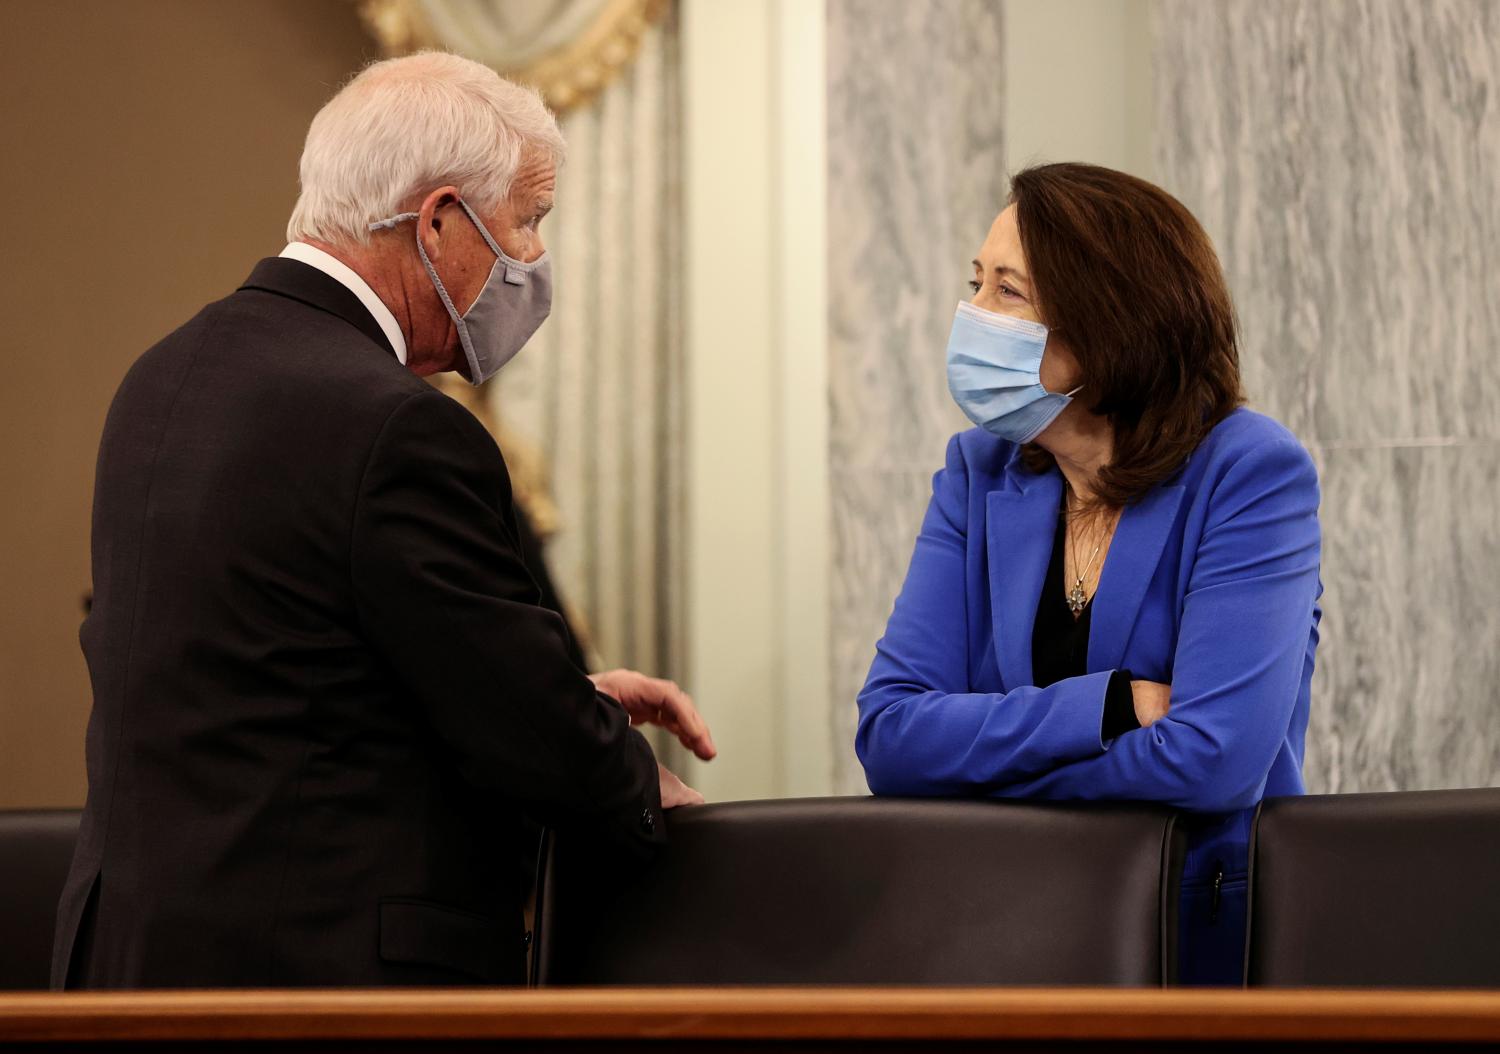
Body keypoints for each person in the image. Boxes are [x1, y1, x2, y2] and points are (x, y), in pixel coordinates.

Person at [52, 52, 715, 989]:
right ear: (441, 221)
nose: (533, 259)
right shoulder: (396, 425)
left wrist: (569, 700)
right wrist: (623, 772)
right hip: (317, 993)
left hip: (127, 976)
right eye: (528, 222)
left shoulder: (159, 380)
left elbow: (289, 674)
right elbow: (513, 717)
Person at [856, 162, 1321, 985]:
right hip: (1001, 935)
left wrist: (978, 769)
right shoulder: (978, 472)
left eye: (1008, 292)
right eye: (975, 284)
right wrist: (1106, 706)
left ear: (1108, 325)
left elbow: (1215, 760)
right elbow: (891, 737)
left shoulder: (1249, 472)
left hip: (1198, 945)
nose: (972, 316)